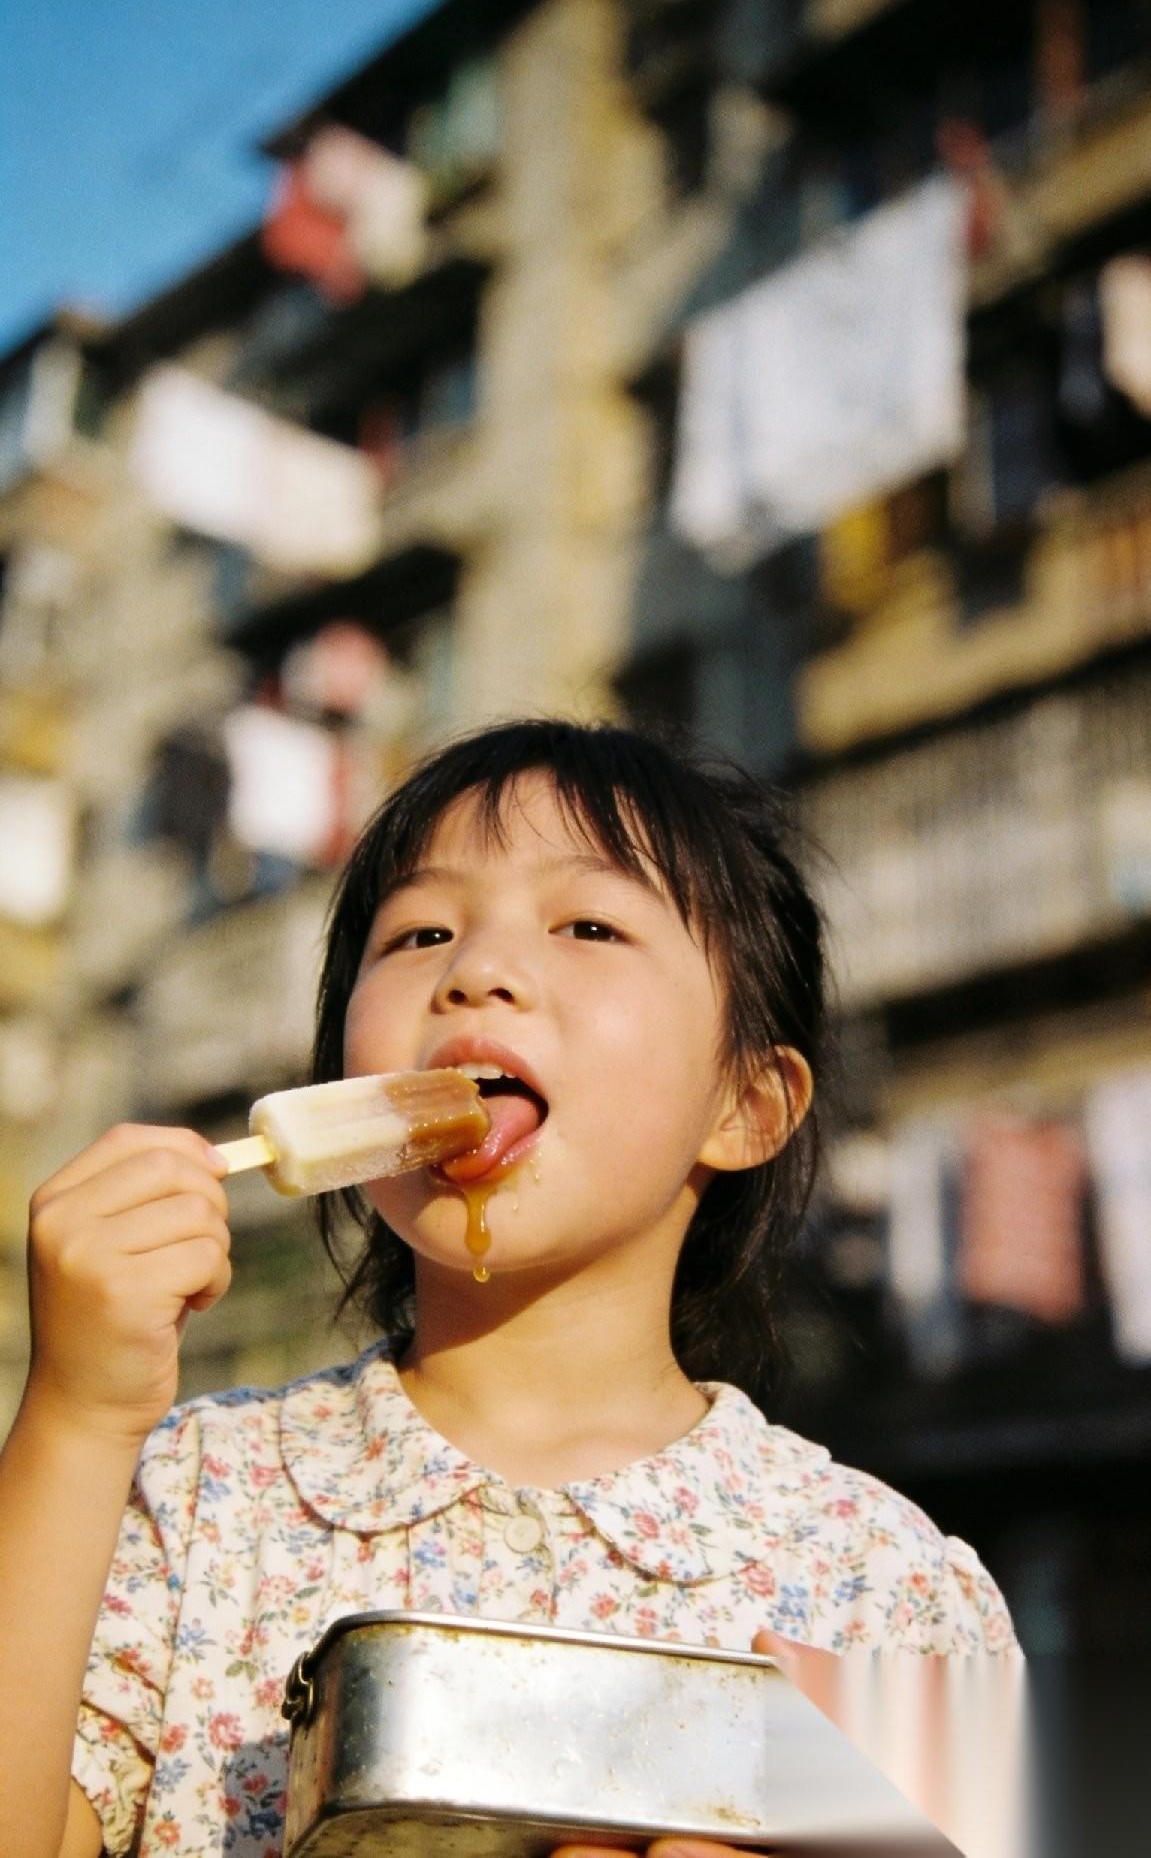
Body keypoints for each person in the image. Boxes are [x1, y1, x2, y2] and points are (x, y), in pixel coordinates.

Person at [0, 718, 1017, 1858]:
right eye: (419, 930)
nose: (474, 969)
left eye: (588, 923)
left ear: (745, 1105)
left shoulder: (886, 1588)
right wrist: (78, 1415)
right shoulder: (185, 1504)